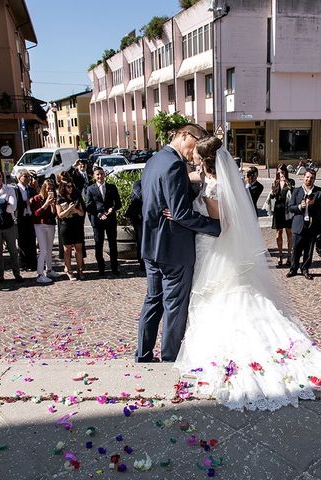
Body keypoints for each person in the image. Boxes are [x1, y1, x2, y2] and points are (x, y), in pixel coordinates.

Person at [173, 136, 321, 411]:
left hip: (213, 249)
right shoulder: (217, 182)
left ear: (204, 160)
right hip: (217, 249)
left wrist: (184, 219)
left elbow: (219, 224)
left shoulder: (212, 188)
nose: (193, 159)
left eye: (196, 156)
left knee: (218, 298)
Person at [136, 124, 222, 363]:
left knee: (153, 300)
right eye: (196, 142)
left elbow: (147, 197)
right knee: (174, 305)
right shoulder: (174, 164)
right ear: (185, 135)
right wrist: (215, 227)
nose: (195, 150)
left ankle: (142, 354)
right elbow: (181, 213)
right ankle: (170, 357)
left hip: (151, 246)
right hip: (173, 248)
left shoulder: (154, 160)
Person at [286, 169, 321, 281]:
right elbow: (290, 207)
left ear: (314, 179)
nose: (309, 179)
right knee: (296, 250)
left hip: (313, 226)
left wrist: (314, 203)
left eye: (311, 178)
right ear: (303, 178)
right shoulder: (297, 191)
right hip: (299, 225)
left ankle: (305, 269)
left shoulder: (320, 192)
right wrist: (300, 207)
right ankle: (293, 269)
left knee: (308, 250)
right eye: (307, 177)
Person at [85, 166, 121, 276]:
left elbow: (118, 203)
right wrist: (99, 214)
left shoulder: (112, 187)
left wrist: (112, 209)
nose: (100, 176)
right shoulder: (91, 189)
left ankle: (114, 267)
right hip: (97, 220)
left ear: (104, 174)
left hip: (110, 219)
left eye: (101, 174)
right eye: (97, 174)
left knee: (112, 244)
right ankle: (101, 267)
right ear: (94, 176)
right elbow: (88, 206)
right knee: (98, 244)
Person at [31, 179, 61, 284]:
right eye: (48, 188)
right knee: (43, 249)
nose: (50, 191)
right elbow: (36, 214)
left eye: (52, 189)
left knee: (49, 249)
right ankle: (40, 273)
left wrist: (52, 205)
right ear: (43, 188)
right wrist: (45, 204)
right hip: (40, 225)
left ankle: (49, 269)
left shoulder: (53, 199)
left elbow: (53, 215)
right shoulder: (37, 198)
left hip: (50, 225)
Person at [265, 164, 295, 268]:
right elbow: (273, 196)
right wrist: (273, 190)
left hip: (287, 210)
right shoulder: (276, 182)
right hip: (278, 209)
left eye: (282, 172)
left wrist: (287, 182)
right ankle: (280, 255)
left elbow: (293, 193)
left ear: (286, 172)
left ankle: (289, 256)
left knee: (289, 233)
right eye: (279, 172)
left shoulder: (291, 181)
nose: (281, 174)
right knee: (278, 233)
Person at [56, 180, 85, 281]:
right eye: (68, 186)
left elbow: (82, 213)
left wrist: (76, 210)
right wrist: (69, 209)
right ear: (63, 187)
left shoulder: (76, 197)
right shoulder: (60, 199)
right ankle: (69, 270)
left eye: (71, 186)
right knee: (67, 250)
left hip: (77, 225)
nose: (70, 188)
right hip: (66, 226)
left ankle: (80, 269)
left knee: (78, 248)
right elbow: (60, 215)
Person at [14, 169, 38, 272]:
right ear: (19, 178)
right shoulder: (15, 190)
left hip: (30, 217)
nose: (28, 179)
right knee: (22, 242)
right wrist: (26, 202)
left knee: (32, 241)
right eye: (25, 176)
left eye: (29, 177)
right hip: (20, 218)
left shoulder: (31, 189)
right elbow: (14, 204)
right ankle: (23, 263)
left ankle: (33, 263)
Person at [123, 180, 144, 273]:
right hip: (138, 216)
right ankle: (142, 262)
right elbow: (139, 195)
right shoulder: (138, 183)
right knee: (140, 239)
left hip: (148, 216)